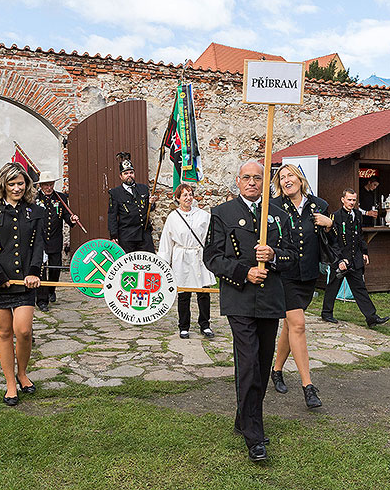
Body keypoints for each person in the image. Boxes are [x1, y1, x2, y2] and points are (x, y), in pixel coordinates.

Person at [203, 160, 296, 462]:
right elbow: (213, 257)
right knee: (249, 365)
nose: (252, 183)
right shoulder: (223, 213)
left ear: (265, 181)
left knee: (263, 359)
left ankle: (244, 417)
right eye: (247, 178)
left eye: (258, 178)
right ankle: (254, 436)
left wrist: (274, 256)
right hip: (240, 298)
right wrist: (244, 272)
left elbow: (294, 256)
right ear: (238, 181)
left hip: (269, 300)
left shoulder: (279, 215)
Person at [0, 162, 44, 406]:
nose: (17, 188)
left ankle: (23, 373)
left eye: (20, 183)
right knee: (4, 332)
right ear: (2, 184)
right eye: (12, 183)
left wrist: (34, 272)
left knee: (23, 331)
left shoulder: (35, 211)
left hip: (25, 282)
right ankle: (10, 384)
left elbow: (38, 246)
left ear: (27, 185)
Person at [269, 164, 333, 409]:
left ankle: (276, 370)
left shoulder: (319, 205)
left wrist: (329, 224)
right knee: (298, 324)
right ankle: (308, 386)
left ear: (300, 179)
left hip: (307, 274)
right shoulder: (274, 206)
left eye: (290, 176)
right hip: (285, 274)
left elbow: (332, 240)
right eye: (282, 177)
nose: (286, 180)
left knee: (290, 326)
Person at [321, 189, 389, 328]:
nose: (352, 202)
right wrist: (340, 260)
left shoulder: (357, 214)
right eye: (349, 199)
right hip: (339, 259)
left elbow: (359, 235)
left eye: (354, 200)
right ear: (343, 200)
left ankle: (371, 317)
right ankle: (326, 313)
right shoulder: (335, 216)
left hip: (355, 258)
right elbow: (333, 241)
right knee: (333, 287)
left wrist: (364, 252)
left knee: (360, 288)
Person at [158, 184, 216, 339]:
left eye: (190, 194)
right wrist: (164, 263)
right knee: (184, 293)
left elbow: (210, 238)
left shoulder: (203, 215)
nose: (188, 198)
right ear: (178, 198)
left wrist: (212, 257)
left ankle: (205, 324)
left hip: (198, 255)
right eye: (184, 195)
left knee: (203, 293)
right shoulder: (173, 217)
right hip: (182, 257)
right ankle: (184, 326)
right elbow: (166, 241)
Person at [34, 171, 78, 311]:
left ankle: (51, 289)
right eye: (46, 185)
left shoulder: (61, 197)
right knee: (41, 270)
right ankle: (42, 300)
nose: (49, 187)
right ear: (40, 185)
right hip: (39, 240)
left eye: (51, 184)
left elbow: (66, 216)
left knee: (54, 268)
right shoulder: (34, 198)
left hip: (54, 239)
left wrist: (72, 220)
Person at [107, 152, 157, 253]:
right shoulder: (115, 193)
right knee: (129, 266)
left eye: (131, 173)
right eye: (126, 173)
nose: (129, 175)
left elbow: (149, 208)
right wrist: (114, 236)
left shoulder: (143, 188)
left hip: (144, 235)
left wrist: (152, 203)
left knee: (149, 263)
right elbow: (112, 216)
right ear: (121, 176)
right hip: (127, 236)